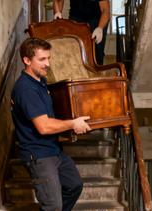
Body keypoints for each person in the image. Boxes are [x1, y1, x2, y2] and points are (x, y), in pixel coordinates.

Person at [12, 37, 92, 211]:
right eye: (42, 59)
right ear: (26, 60)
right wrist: (72, 124)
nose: (48, 63)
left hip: (54, 150)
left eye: (48, 58)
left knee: (74, 185)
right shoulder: (26, 89)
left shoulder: (40, 82)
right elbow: (44, 126)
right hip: (39, 155)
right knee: (53, 205)